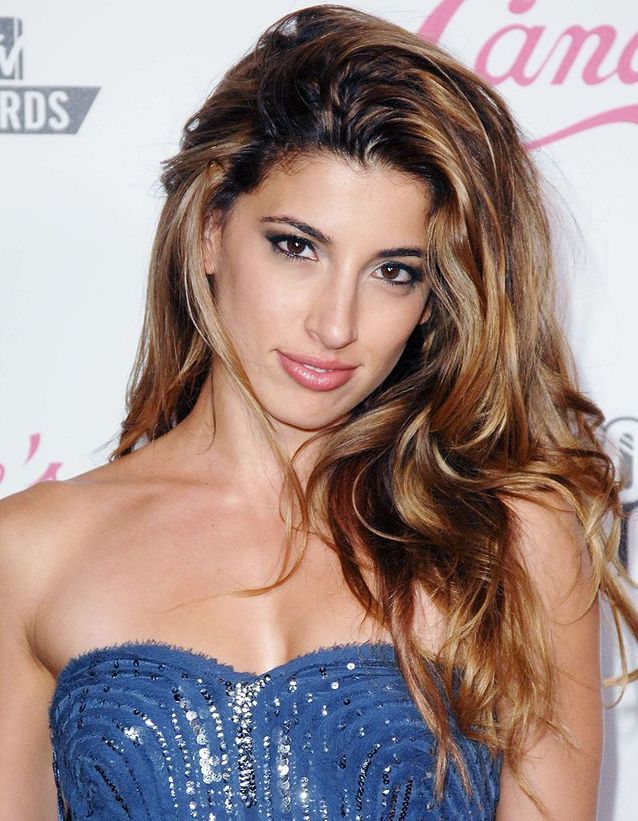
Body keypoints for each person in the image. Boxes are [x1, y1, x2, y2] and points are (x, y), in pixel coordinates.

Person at [1, 3, 636, 819]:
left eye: (394, 272)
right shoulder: (33, 554)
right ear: (210, 231)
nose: (336, 325)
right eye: (297, 246)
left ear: (435, 296)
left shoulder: (513, 543)